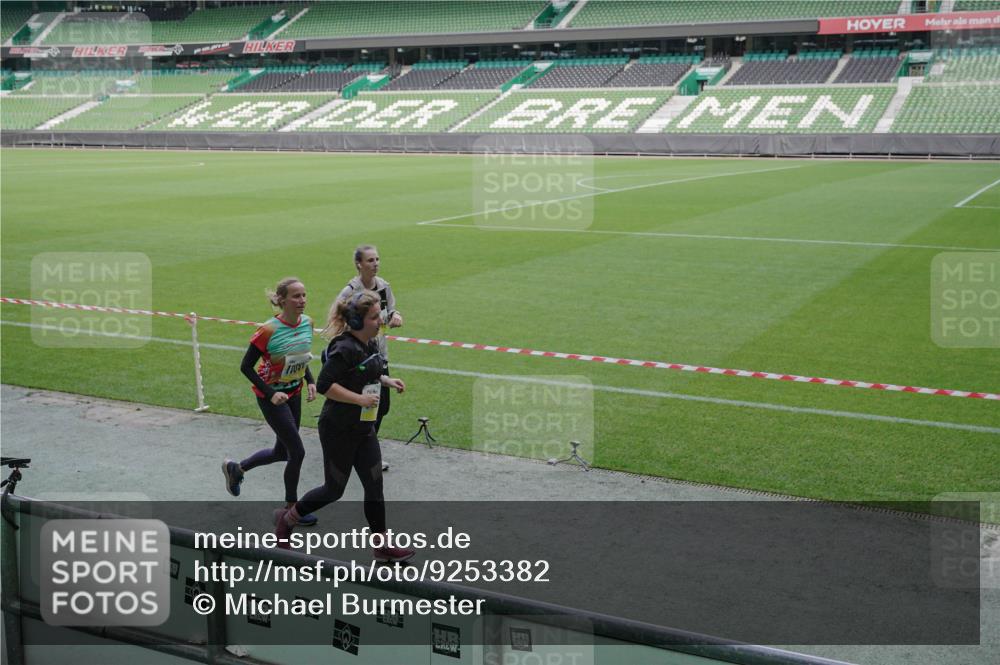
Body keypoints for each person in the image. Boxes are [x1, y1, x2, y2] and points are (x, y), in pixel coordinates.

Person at [274, 290, 414, 562]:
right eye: (374, 317)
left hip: (363, 429)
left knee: (375, 486)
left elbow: (367, 372)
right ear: (359, 321)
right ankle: (287, 520)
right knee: (333, 490)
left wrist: (387, 381)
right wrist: (360, 399)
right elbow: (326, 385)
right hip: (338, 429)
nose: (379, 321)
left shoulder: (370, 343)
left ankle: (381, 546)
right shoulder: (344, 348)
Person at [223, 277, 319, 526]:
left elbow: (300, 356)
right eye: (296, 296)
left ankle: (237, 468)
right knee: (297, 452)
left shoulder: (308, 323)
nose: (302, 301)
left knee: (282, 452)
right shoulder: (268, 331)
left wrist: (310, 380)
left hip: (294, 392)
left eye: (304, 295)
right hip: (272, 398)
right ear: (282, 300)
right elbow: (246, 367)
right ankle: (291, 510)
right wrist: (270, 392)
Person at [337, 245, 402, 470]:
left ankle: (362, 449)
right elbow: (337, 317)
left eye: (377, 259)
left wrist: (396, 317)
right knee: (362, 404)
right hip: (359, 356)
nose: (375, 264)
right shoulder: (351, 291)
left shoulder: (384, 287)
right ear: (359, 264)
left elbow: (391, 310)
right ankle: (362, 452)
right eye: (370, 260)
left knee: (381, 406)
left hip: (380, 353)